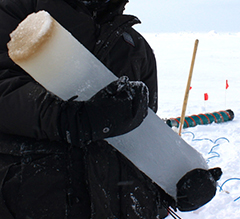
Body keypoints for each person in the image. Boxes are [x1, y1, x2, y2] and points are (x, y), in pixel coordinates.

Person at [0, 0, 222, 218]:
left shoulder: (136, 48)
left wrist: (176, 181)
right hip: (34, 201)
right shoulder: (17, 10)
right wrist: (65, 118)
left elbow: (143, 138)